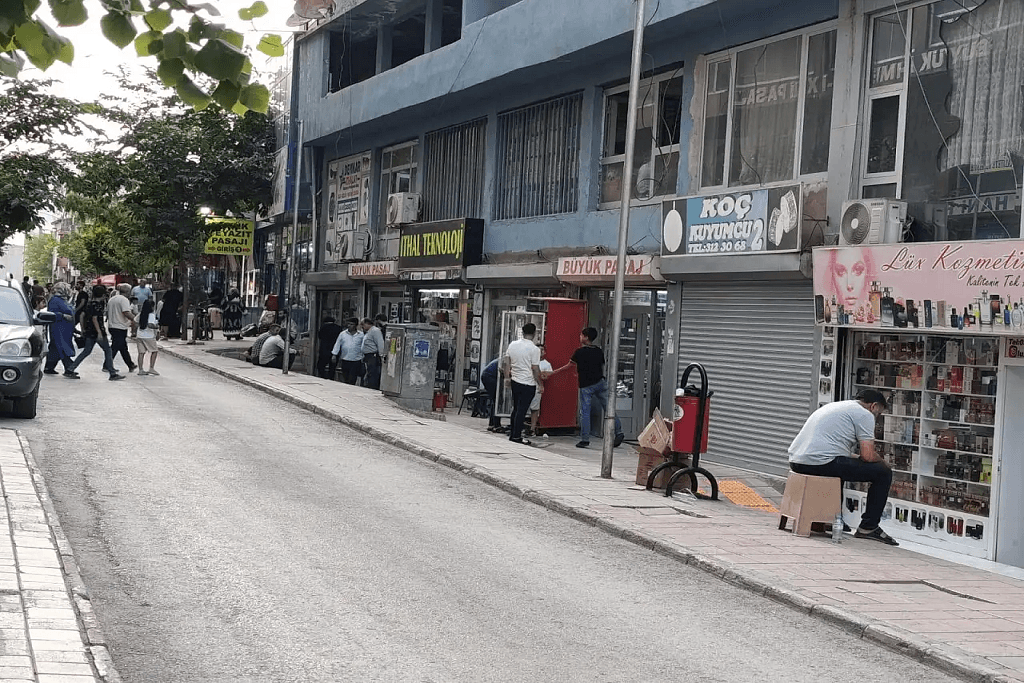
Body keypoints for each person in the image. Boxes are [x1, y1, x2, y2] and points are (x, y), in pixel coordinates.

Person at [788, 389, 897, 546]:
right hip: (819, 463)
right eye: (878, 413)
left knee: (842, 467)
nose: (877, 417)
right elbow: (868, 456)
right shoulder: (865, 414)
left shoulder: (838, 406)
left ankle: (830, 519)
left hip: (797, 461)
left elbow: (842, 453)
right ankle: (869, 527)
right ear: (874, 406)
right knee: (883, 473)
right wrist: (883, 462)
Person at [551, 327, 624, 449]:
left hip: (586, 386)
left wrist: (553, 372)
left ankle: (585, 439)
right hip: (600, 383)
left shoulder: (579, 352)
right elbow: (601, 365)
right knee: (608, 409)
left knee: (585, 412)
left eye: (581, 335)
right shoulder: (598, 351)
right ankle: (619, 432)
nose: (580, 337)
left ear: (585, 337)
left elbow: (569, 366)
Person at [69, 284, 124, 380]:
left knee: (86, 351)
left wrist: (83, 329)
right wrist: (99, 332)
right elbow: (95, 319)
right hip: (97, 331)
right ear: (103, 295)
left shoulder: (89, 304)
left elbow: (82, 315)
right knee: (108, 350)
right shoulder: (98, 305)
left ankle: (70, 368)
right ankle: (112, 372)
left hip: (89, 331)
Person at [501, 323, 542, 445]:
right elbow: (535, 368)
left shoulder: (513, 345)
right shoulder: (535, 349)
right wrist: (540, 383)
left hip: (515, 381)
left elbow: (506, 361)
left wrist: (507, 377)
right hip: (528, 382)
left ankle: (513, 433)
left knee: (516, 408)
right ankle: (517, 436)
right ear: (534, 334)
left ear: (522, 332)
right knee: (522, 410)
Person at [43, 282, 78, 377]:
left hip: (65, 328)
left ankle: (49, 367)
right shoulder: (55, 300)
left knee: (55, 347)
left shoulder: (63, 300)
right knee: (62, 347)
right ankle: (69, 368)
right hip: (59, 328)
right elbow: (52, 313)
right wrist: (63, 316)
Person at [106, 283, 137, 372]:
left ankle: (130, 364)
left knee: (122, 347)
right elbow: (126, 312)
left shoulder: (112, 299)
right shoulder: (124, 300)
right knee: (116, 347)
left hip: (112, 325)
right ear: (128, 291)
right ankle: (107, 365)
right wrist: (135, 320)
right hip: (120, 326)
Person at [525, 343, 554, 439]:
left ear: (544, 352)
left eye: (541, 350)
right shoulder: (528, 361)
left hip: (537, 388)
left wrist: (542, 376)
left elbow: (548, 375)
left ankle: (532, 429)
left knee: (535, 409)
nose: (540, 352)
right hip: (526, 385)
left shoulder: (546, 364)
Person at [331, 317, 364, 384]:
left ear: (356, 325)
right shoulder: (342, 334)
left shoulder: (361, 335)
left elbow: (363, 346)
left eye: (351, 324)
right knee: (345, 377)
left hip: (356, 359)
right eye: (348, 324)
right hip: (345, 359)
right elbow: (337, 344)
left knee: (352, 378)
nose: (349, 326)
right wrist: (334, 355)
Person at [134, 298, 160, 375]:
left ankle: (141, 370)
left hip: (140, 335)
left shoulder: (140, 314)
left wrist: (139, 327)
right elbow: (151, 325)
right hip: (149, 336)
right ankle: (151, 368)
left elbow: (135, 321)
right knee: (154, 351)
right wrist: (157, 328)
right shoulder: (151, 315)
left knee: (141, 353)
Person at [360, 317, 385, 390]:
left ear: (368, 324)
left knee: (372, 373)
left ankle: (372, 387)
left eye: (363, 324)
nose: (362, 326)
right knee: (368, 373)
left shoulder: (375, 331)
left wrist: (381, 355)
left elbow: (380, 343)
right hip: (367, 356)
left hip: (373, 355)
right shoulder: (368, 332)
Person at [316, 316, 344, 380]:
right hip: (335, 350)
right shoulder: (338, 328)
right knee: (332, 367)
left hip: (324, 350)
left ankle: (323, 376)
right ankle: (331, 378)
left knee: (320, 365)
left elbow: (320, 336)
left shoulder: (323, 328)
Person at [481, 357, 503, 432]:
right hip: (490, 377)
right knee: (497, 400)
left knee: (495, 400)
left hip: (487, 376)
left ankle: (492, 423)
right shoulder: (505, 360)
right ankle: (496, 424)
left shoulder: (500, 359)